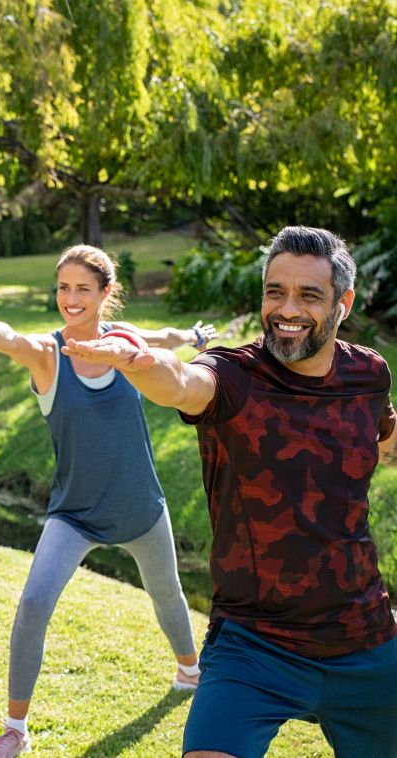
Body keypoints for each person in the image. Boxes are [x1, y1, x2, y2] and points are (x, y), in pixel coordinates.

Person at [64, 226, 397, 758]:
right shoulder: (235, 375)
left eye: (308, 295)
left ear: (343, 304)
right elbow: (183, 382)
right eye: (274, 291)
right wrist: (144, 364)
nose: (286, 309)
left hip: (364, 641)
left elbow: (382, 437)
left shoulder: (368, 374)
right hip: (254, 644)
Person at [0, 244, 217, 758]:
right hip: (75, 515)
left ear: (106, 294)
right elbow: (10, 337)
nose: (71, 298)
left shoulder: (127, 343)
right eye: (63, 288)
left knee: (168, 593)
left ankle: (190, 670)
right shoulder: (48, 355)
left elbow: (165, 338)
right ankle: (14, 729)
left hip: (139, 507)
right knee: (35, 601)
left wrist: (193, 338)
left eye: (83, 288)